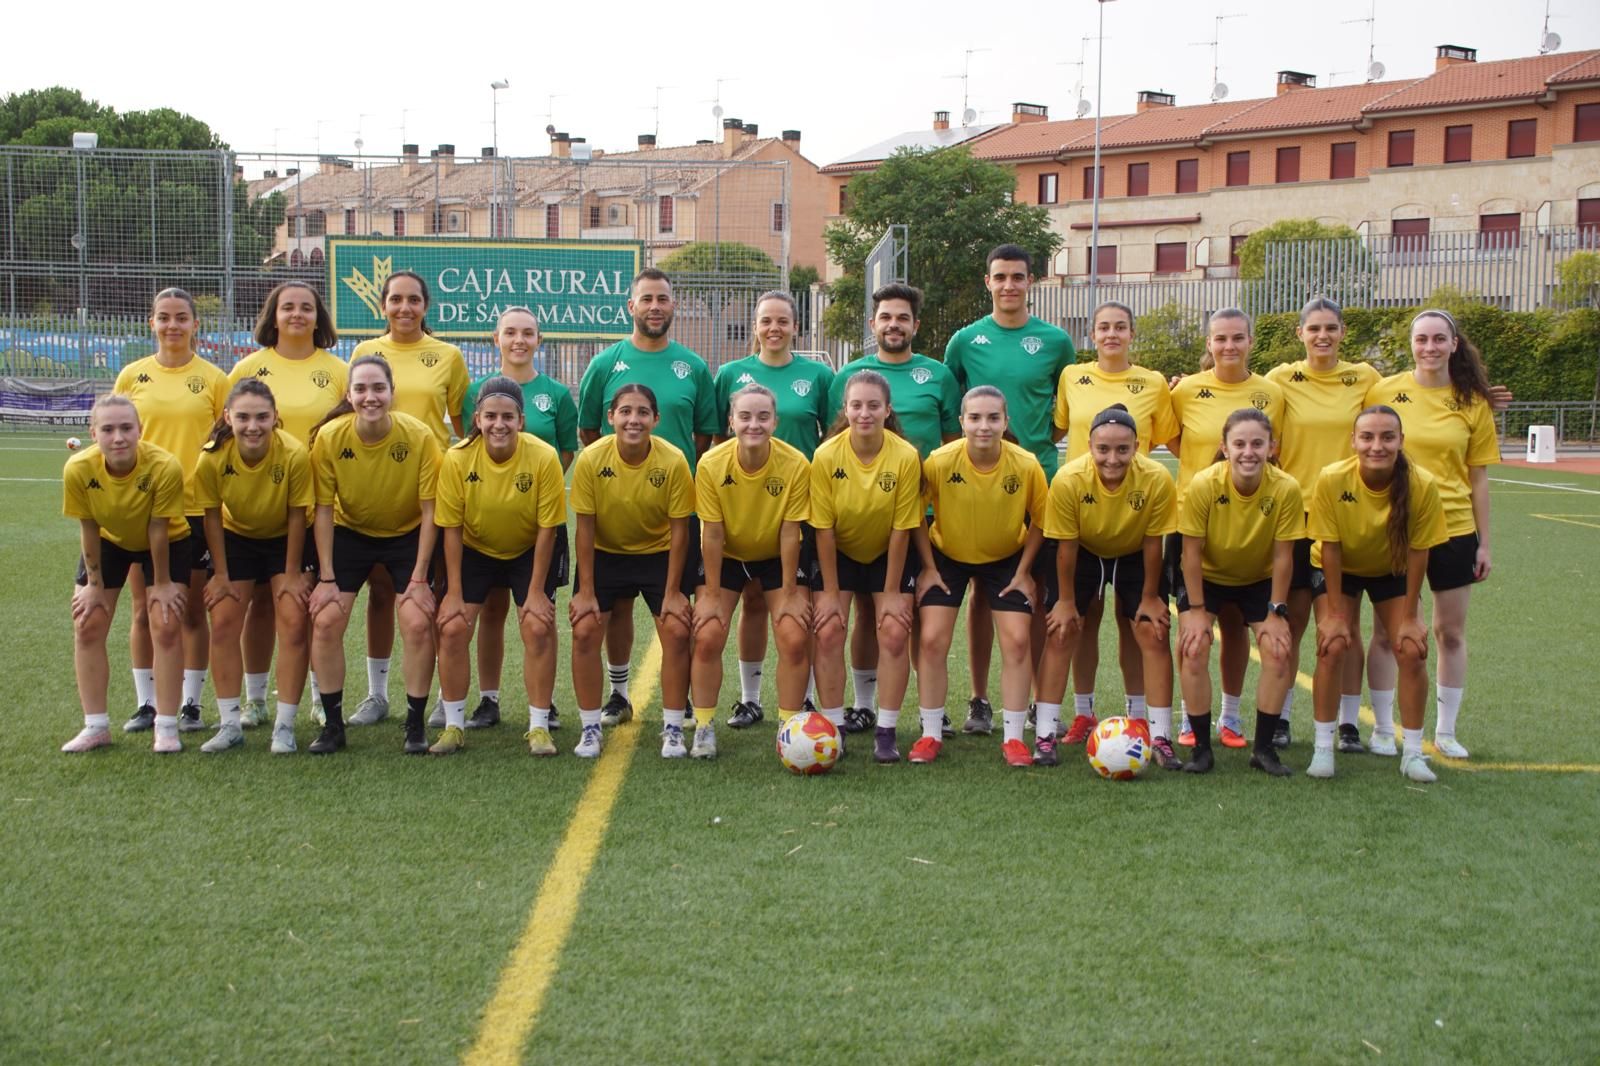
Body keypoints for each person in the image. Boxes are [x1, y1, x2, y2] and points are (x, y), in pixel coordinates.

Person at [944, 245, 1077, 735]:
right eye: (1000, 277)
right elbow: (954, 406)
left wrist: (1034, 444)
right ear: (987, 282)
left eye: (1017, 277)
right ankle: (979, 700)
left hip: (1038, 476)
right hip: (978, 483)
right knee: (982, 588)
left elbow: (1062, 410)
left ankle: (1043, 703)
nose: (1008, 286)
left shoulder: (1056, 341)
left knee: (1038, 593)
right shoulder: (965, 340)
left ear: (1030, 282)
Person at [576, 269, 717, 730]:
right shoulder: (605, 363)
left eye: (663, 299)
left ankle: (688, 700)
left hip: (676, 510)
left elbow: (704, 434)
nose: (655, 306)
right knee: (615, 608)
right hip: (617, 507)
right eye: (646, 299)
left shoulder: (693, 366)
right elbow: (589, 432)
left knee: (680, 610)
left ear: (673, 307)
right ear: (630, 307)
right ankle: (618, 693)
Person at [1364, 310, 1497, 759]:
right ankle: (1383, 729)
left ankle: (1446, 731)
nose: (1430, 347)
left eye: (1439, 339)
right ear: (1411, 344)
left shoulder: (1472, 401)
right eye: (1422, 339)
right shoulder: (1384, 390)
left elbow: (1477, 478)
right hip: (1399, 530)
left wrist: (1484, 541)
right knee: (1391, 633)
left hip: (1455, 529)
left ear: (1454, 344)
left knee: (1449, 632)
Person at [828, 283, 960, 735]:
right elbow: (834, 440)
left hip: (921, 518)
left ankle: (931, 706)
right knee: (868, 612)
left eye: (902, 318)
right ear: (873, 324)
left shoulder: (938, 375)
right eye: (886, 317)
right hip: (861, 516)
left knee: (919, 613)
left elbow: (950, 444)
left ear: (915, 326)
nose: (894, 325)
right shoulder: (850, 375)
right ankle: (865, 704)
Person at [1050, 300, 1179, 743]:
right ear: (1091, 333)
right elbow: (1057, 429)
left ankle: (1138, 714)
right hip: (1083, 520)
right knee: (1080, 618)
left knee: (1136, 619)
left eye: (1120, 327)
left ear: (1132, 333)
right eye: (1103, 327)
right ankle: (1083, 711)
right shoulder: (1073, 376)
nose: (1111, 334)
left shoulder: (1153, 382)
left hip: (1132, 514)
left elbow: (1168, 437)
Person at [346, 271, 469, 726]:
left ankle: (441, 694)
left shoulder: (448, 356)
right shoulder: (365, 353)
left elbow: (460, 426)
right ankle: (377, 695)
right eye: (395, 300)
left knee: (430, 592)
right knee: (380, 593)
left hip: (431, 491)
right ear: (383, 306)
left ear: (425, 306)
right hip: (377, 487)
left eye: (413, 300)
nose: (404, 308)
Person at [447, 307, 578, 733]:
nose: (519, 340)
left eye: (528, 333)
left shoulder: (556, 393)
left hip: (535, 516)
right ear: (496, 338)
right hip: (484, 521)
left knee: (540, 614)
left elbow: (565, 452)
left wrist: (529, 485)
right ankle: (488, 699)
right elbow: (469, 441)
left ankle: (547, 704)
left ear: (539, 339)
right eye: (510, 332)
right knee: (489, 611)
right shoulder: (473, 392)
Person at [305, 355, 442, 754]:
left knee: (417, 622)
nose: (370, 397)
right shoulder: (331, 437)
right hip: (350, 535)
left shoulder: (417, 436)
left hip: (406, 535)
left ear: (392, 393)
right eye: (361, 389)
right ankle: (333, 726)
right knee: (327, 619)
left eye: (378, 388)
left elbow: (431, 510)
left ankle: (414, 725)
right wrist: (326, 577)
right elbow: (324, 510)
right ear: (348, 395)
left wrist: (419, 578)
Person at [711, 291, 833, 727]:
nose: (774, 328)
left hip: (800, 506)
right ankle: (750, 698)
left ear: (796, 327)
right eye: (766, 321)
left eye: (783, 320)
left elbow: (832, 435)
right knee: (752, 602)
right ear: (756, 326)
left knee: (800, 606)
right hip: (746, 504)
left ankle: (805, 698)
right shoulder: (729, 374)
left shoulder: (818, 374)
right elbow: (716, 441)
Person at [1306, 406, 1447, 783]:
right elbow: (1330, 548)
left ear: (1401, 441)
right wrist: (1335, 613)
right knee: (1333, 644)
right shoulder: (1332, 478)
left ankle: (1413, 753)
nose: (1377, 445)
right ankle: (1323, 747)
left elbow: (1420, 551)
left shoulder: (1422, 484)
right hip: (1340, 568)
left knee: (1412, 649)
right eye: (1367, 437)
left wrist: (1413, 617)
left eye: (1387, 437)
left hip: (1393, 570)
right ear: (1353, 440)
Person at [228, 283, 347, 728]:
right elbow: (226, 433)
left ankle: (320, 695)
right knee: (258, 605)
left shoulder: (337, 369)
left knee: (308, 607)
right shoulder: (249, 367)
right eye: (287, 307)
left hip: (315, 508)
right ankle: (254, 699)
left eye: (306, 308)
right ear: (272, 316)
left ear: (319, 319)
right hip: (256, 507)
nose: (297, 314)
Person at [1167, 308, 1285, 750]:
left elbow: (1275, 448)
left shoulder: (1271, 392)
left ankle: (1231, 718)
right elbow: (1174, 439)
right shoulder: (1185, 391)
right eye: (1220, 338)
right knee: (1194, 627)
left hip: (1251, 519)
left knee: (1236, 626)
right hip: (1193, 519)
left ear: (1251, 341)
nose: (1229, 346)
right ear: (1209, 343)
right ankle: (1188, 717)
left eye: (1238, 338)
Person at [1037, 405, 1180, 768]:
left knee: (1153, 631)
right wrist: (1065, 601)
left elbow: (1153, 542)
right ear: (1089, 446)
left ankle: (1156, 733)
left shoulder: (1157, 478)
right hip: (1083, 551)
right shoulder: (1069, 480)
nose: (1112, 459)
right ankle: (1045, 733)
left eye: (1122, 449)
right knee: (1062, 629)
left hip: (1133, 551)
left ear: (1137, 446)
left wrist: (1150, 597)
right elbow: (1065, 548)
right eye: (1103, 449)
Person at [913, 386, 1047, 767]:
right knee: (933, 639)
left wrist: (1023, 572)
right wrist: (927, 567)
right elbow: (913, 515)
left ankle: (1014, 739)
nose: (983, 426)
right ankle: (930, 734)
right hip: (948, 557)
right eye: (974, 418)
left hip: (1005, 559)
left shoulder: (1025, 464)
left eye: (992, 418)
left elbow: (1041, 520)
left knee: (1019, 641)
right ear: (962, 422)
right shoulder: (939, 461)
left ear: (1006, 421)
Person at [113, 287, 228, 734]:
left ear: (195, 325)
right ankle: (146, 703)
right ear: (152, 323)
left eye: (182, 317)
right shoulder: (132, 376)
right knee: (143, 608)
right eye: (164, 317)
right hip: (143, 508)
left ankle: (191, 705)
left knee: (192, 609)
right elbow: (117, 437)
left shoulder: (214, 379)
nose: (173, 325)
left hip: (195, 508)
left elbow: (223, 442)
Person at [433, 377, 567, 756]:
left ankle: (539, 727)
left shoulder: (543, 457)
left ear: (521, 420)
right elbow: (452, 530)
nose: (499, 424)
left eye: (508, 416)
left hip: (528, 548)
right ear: (476, 418)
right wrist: (454, 593)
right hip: (475, 548)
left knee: (538, 626)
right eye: (490, 416)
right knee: (454, 626)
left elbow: (548, 530)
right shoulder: (457, 458)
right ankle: (454, 726)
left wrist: (537, 591)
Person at [568, 383, 696, 759]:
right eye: (625, 411)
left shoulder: (672, 461)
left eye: (642, 412)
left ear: (656, 419)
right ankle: (591, 727)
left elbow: (680, 532)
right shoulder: (592, 458)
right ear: (611, 417)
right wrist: (586, 590)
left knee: (675, 629)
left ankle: (673, 729)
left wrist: (673, 592)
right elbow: (585, 528)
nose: (633, 419)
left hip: (658, 554)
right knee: (586, 628)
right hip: (607, 553)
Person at [1175, 408, 1303, 776]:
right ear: (1225, 447)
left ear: (1272, 448)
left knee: (1279, 650)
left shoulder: (1286, 488)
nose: (1249, 452)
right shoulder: (1204, 484)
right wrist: (1197, 609)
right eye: (1240, 444)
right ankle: (1200, 749)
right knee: (1194, 643)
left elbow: (1282, 556)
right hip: (1208, 577)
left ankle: (1263, 750)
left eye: (1258, 444)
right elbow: (1191, 554)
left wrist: (1277, 611)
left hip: (1258, 579)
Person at [61, 395, 191, 753]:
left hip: (166, 541)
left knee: (165, 623)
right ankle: (96, 726)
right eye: (108, 429)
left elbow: (158, 529)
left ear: (140, 431)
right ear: (93, 433)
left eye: (126, 428)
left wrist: (162, 584)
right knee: (87, 621)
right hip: (109, 540)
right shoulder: (79, 469)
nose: (118, 437)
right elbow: (89, 528)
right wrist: (94, 585)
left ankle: (166, 726)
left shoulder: (164, 466)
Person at [192, 379, 313, 754]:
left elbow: (297, 517)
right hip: (237, 537)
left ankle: (285, 725)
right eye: (242, 417)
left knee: (294, 620)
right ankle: (230, 724)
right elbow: (211, 517)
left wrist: (292, 574)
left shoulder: (293, 454)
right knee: (225, 620)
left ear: (276, 417)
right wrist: (223, 576)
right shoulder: (212, 456)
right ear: (227, 417)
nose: (252, 426)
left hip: (286, 537)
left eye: (262, 417)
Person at [691, 385, 812, 757]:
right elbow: (711, 533)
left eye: (763, 417)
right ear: (731, 421)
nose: (753, 424)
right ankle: (703, 726)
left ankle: (789, 728)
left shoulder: (796, 464)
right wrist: (711, 594)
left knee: (793, 635)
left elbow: (792, 531)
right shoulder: (711, 463)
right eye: (745, 416)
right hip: (727, 554)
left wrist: (791, 591)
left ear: (775, 421)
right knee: (708, 634)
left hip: (777, 554)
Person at [810, 371, 923, 764]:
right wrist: (828, 593)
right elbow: (822, 531)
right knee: (827, 630)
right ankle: (834, 728)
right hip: (837, 552)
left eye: (873, 405)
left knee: (893, 631)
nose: (864, 413)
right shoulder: (826, 455)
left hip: (886, 553)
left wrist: (891, 593)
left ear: (887, 410)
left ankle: (887, 732)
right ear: (845, 409)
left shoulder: (905, 456)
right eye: (856, 405)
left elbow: (901, 528)